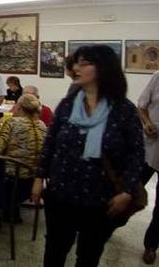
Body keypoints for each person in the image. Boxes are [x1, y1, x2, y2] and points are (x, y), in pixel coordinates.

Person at [31, 45, 145, 267]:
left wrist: (128, 191)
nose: (75, 68)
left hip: (100, 200)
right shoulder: (68, 104)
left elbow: (136, 154)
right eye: (76, 63)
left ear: (103, 69)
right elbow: (50, 143)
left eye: (84, 63)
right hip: (61, 194)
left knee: (89, 256)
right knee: (54, 250)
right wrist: (38, 178)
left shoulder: (124, 110)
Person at [0, 94, 45, 229]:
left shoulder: (12, 123)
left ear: (18, 107)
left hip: (11, 180)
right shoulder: (42, 125)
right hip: (33, 179)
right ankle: (11, 211)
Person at [138, 70, 159, 264]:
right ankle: (106, 227)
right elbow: (142, 106)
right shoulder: (157, 77)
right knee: (130, 190)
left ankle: (151, 245)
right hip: (150, 147)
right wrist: (146, 123)